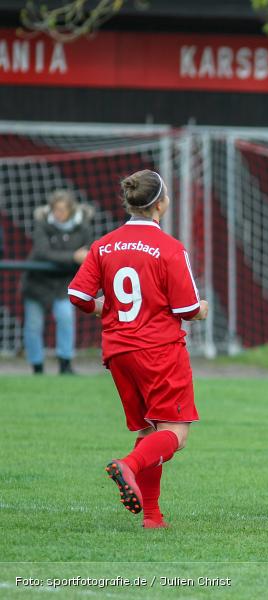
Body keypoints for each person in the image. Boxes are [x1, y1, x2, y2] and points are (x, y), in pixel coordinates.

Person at [68, 170, 209, 529]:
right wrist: (203, 309)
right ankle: (128, 465)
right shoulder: (170, 248)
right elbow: (187, 309)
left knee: (148, 430)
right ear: (161, 202)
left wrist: (104, 308)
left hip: (118, 352)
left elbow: (79, 295)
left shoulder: (105, 244)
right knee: (175, 434)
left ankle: (152, 517)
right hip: (159, 349)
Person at [22, 190, 94, 374]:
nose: (58, 213)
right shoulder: (42, 225)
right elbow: (43, 252)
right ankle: (37, 367)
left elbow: (87, 253)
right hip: (37, 283)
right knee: (33, 325)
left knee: (66, 318)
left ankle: (65, 364)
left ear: (71, 209)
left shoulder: (83, 227)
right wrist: (73, 256)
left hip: (63, 283)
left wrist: (78, 256)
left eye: (62, 209)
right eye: (55, 209)